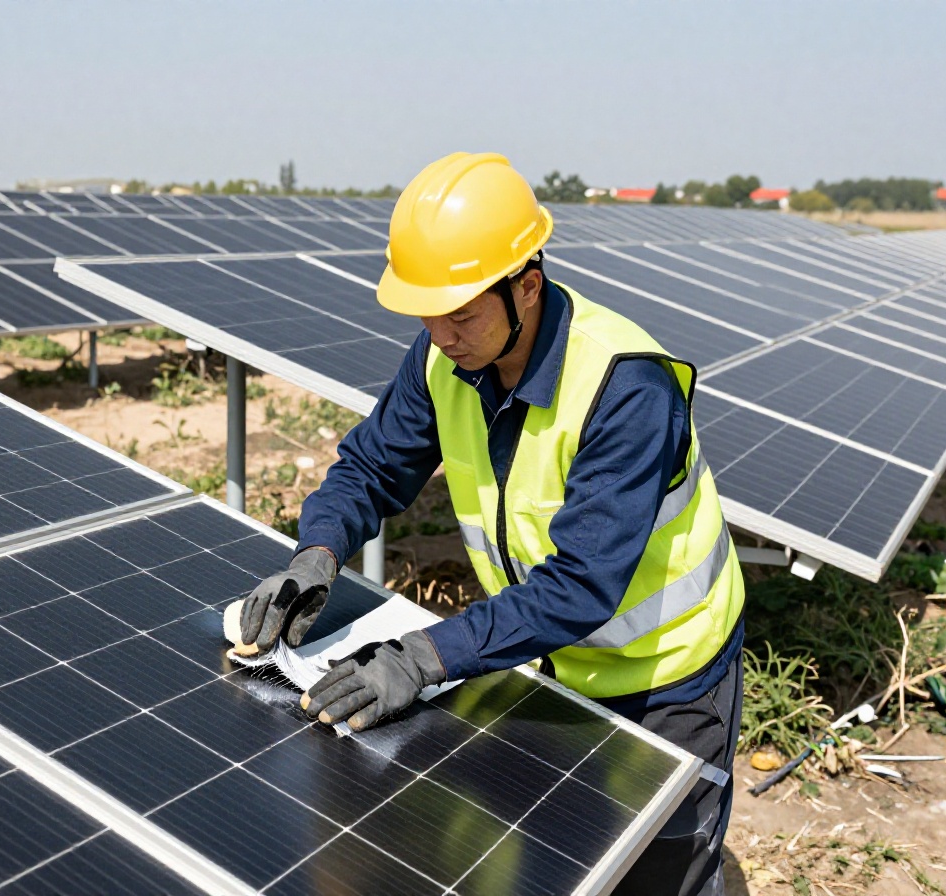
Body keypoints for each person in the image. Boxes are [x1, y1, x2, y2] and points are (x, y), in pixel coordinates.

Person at [237, 152, 746, 896]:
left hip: (667, 678)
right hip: (548, 668)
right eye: (426, 311)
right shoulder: (446, 357)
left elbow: (579, 586)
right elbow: (372, 468)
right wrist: (317, 552)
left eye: (461, 311)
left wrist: (422, 658)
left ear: (527, 287)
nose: (440, 333)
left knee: (656, 873)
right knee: (562, 862)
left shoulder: (624, 385)